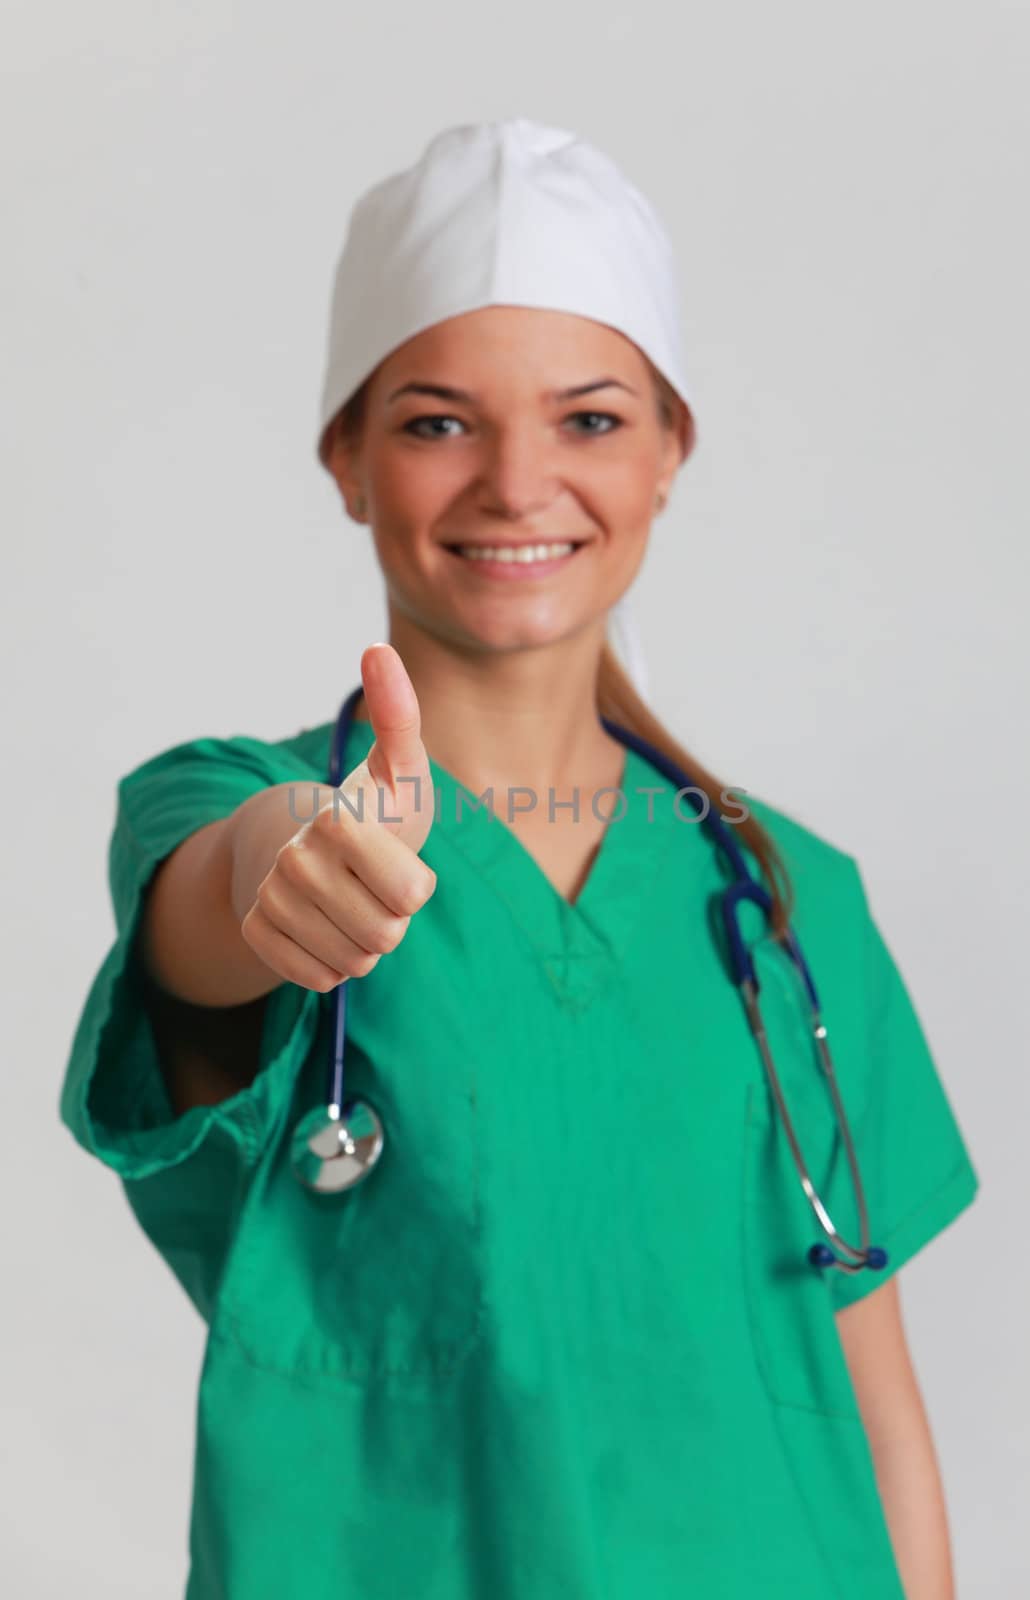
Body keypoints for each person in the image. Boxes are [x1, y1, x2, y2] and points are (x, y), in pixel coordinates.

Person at [59, 117, 980, 1600]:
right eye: (434, 421)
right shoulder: (241, 801)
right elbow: (221, 898)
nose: (513, 481)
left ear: (671, 452)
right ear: (346, 460)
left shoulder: (787, 892)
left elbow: (870, 1393)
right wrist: (285, 866)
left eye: (590, 418)